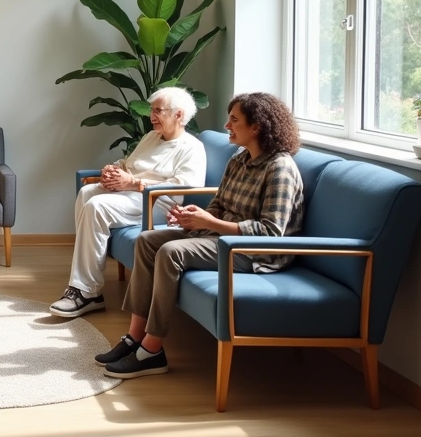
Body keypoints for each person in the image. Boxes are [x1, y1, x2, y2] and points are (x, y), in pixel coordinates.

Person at [97, 92, 304, 379]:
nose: (226, 125)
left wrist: (209, 222)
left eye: (234, 120)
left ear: (256, 127)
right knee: (147, 241)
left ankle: (152, 351)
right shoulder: (239, 159)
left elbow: (270, 232)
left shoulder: (280, 169)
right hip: (220, 238)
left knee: (172, 252)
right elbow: (219, 205)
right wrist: (191, 216)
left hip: (253, 253)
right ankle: (134, 337)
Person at [50, 87, 207, 319]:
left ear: (179, 115)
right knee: (87, 193)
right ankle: (83, 283)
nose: (151, 116)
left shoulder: (191, 148)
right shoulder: (151, 137)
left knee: (97, 206)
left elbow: (186, 187)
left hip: (159, 203)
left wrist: (134, 183)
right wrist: (112, 170)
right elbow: (129, 164)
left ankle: (87, 292)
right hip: (132, 195)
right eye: (152, 110)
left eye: (158, 111)